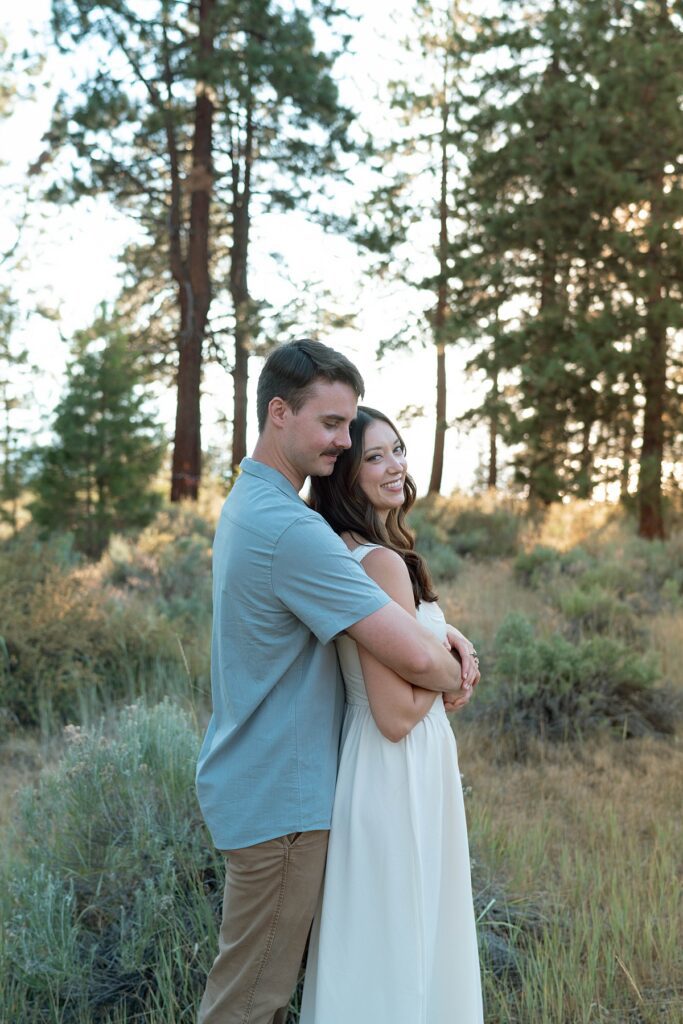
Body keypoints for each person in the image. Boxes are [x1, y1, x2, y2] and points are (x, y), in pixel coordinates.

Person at [195, 340, 479, 1024]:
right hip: (281, 802)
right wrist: (456, 667)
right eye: (331, 424)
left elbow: (397, 636)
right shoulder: (289, 529)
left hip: (263, 784)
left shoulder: (250, 506)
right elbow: (410, 664)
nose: (343, 441)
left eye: (351, 425)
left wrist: (439, 634)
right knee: (247, 1003)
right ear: (277, 414)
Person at [301, 405, 484, 1024]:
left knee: (387, 938)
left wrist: (447, 639)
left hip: (378, 770)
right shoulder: (379, 563)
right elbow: (395, 714)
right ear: (344, 476)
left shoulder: (358, 551)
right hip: (397, 768)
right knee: (404, 940)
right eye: (373, 457)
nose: (394, 466)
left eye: (397, 450)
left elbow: (407, 649)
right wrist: (451, 675)